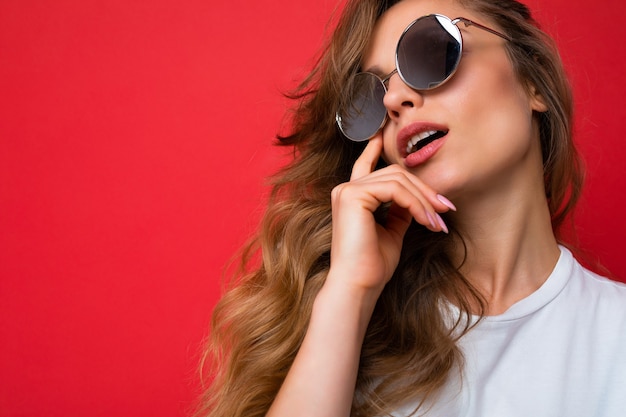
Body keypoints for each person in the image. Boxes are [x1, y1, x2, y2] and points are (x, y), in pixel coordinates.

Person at [196, 0, 626, 416]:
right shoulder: (355, 335)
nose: (393, 101)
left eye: (432, 51)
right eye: (371, 94)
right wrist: (350, 293)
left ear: (532, 81)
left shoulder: (614, 335)